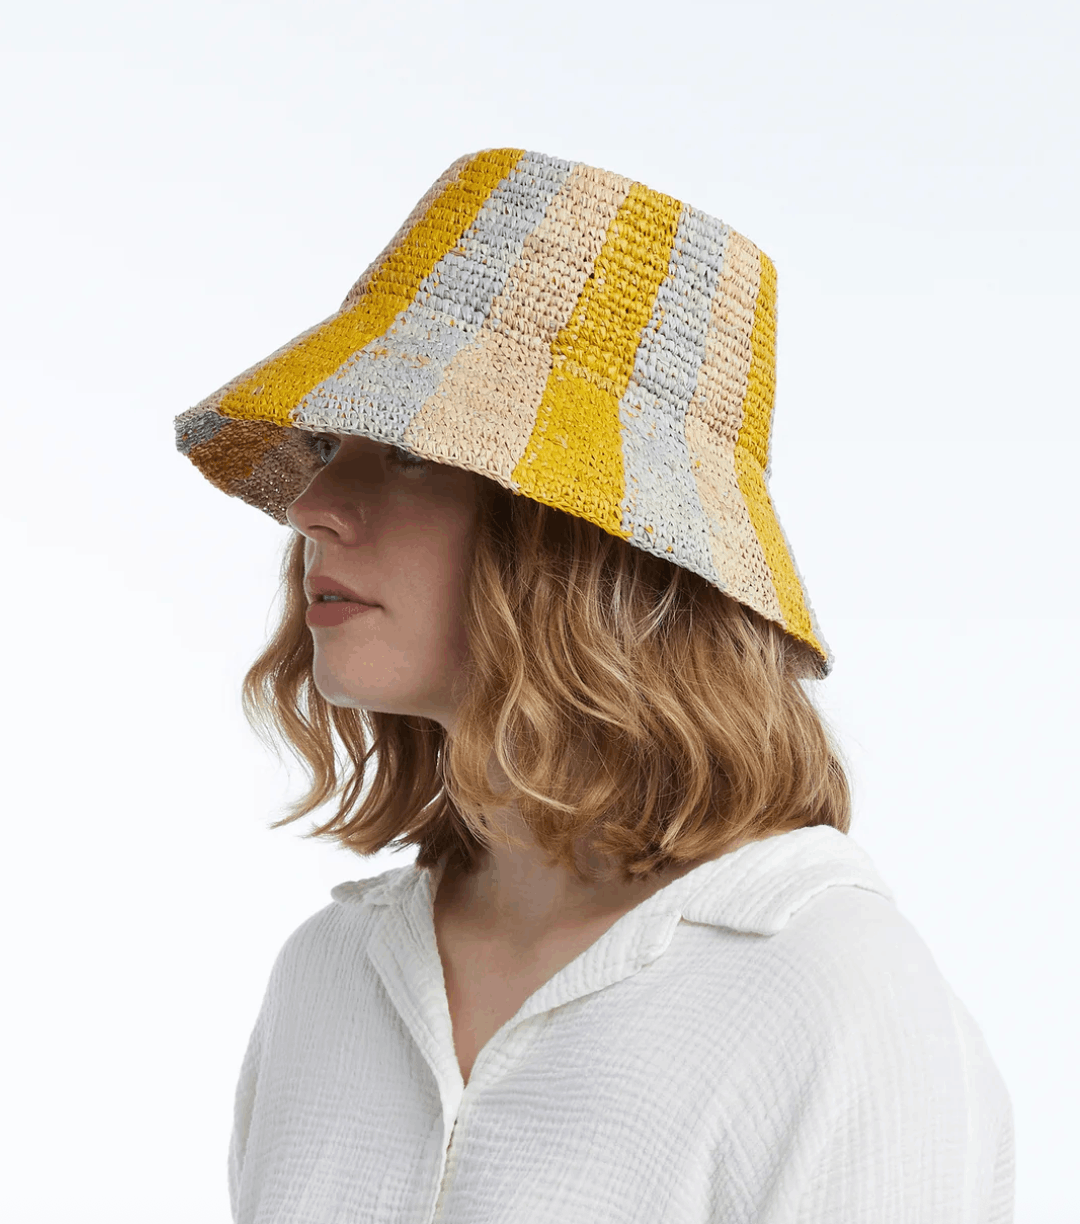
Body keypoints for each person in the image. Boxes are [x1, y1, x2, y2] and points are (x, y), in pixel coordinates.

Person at [176, 146, 1015, 1222]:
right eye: (330, 442)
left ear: (587, 540)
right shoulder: (331, 977)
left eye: (410, 453)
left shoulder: (827, 992)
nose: (310, 507)